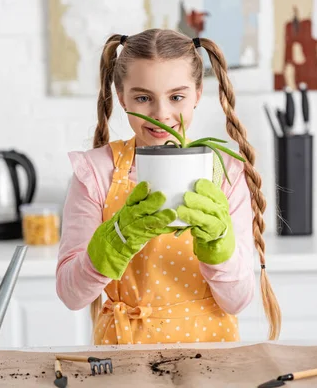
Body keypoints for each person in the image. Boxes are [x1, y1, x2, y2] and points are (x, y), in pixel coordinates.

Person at [56, 29, 281, 345]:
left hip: (212, 356)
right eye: (143, 97)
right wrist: (115, 240)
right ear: (121, 98)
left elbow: (238, 300)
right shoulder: (96, 172)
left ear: (198, 94)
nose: (161, 114)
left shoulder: (224, 171)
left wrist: (219, 243)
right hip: (124, 356)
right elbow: (71, 295)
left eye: (177, 96)